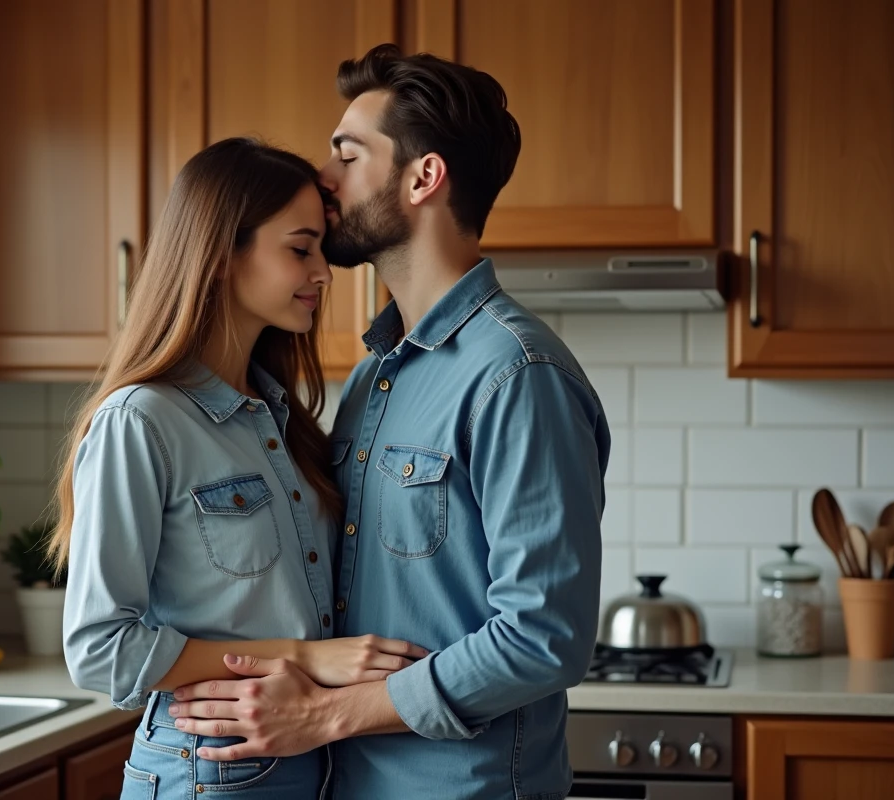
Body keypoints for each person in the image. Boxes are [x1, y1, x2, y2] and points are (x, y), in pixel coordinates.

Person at [164, 45, 611, 800]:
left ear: (422, 178)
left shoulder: (517, 376)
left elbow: (544, 638)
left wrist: (329, 716)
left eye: (346, 155)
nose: (322, 179)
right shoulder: (375, 374)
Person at [49, 137, 427, 800]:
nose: (322, 273)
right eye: (299, 248)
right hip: (209, 771)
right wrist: (307, 658)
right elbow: (102, 648)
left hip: (311, 757)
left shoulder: (281, 420)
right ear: (223, 255)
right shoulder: (142, 421)